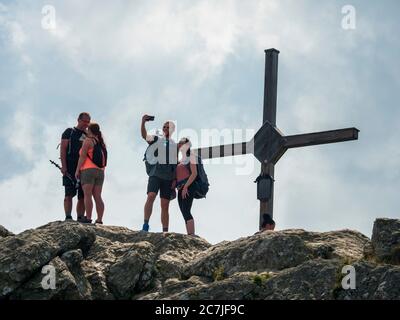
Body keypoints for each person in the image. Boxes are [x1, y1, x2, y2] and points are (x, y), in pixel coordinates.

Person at [141, 114, 177, 232]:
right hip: (155, 174)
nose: (166, 129)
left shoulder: (174, 145)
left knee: (165, 205)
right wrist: (143, 122)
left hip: (168, 178)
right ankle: (145, 225)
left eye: (168, 127)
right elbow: (144, 136)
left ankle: (165, 231)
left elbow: (175, 164)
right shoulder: (157, 139)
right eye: (164, 127)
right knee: (151, 196)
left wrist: (175, 180)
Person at [60, 112, 91, 221]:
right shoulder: (69, 132)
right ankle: (68, 217)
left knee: (83, 195)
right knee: (68, 193)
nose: (86, 124)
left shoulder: (89, 135)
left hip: (85, 168)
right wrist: (63, 166)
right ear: (78, 120)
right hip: (70, 166)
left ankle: (80, 217)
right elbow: (63, 149)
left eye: (88, 122)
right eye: (84, 121)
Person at [75, 123, 107, 225]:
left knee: (87, 195)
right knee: (98, 196)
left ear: (89, 130)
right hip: (100, 172)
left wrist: (77, 170)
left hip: (88, 170)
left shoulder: (88, 141)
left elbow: (83, 157)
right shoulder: (101, 143)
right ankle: (99, 219)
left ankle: (88, 218)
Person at [176, 138, 198, 235]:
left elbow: (194, 173)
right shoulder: (180, 160)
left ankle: (192, 235)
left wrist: (186, 187)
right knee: (183, 212)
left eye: (182, 143)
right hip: (180, 188)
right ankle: (189, 234)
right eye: (180, 143)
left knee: (186, 210)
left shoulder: (191, 156)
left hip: (189, 186)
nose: (180, 145)